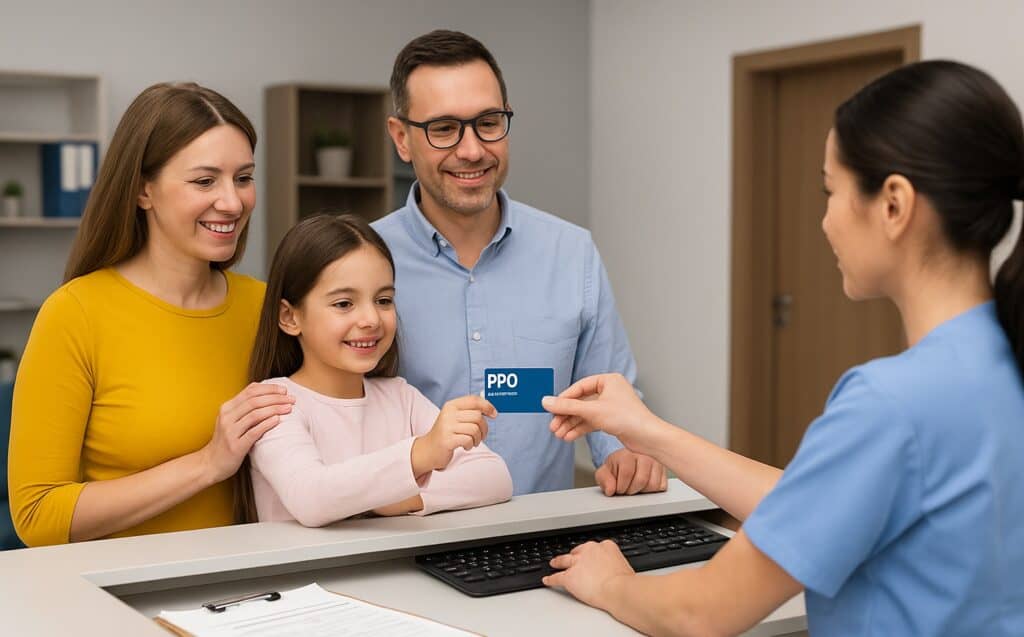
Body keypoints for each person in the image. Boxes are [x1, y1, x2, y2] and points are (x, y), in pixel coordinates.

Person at [541, 60, 1024, 636]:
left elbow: (700, 614)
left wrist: (609, 581)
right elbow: (817, 500)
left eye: (832, 192)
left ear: (894, 205)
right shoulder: (997, 365)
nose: (825, 222)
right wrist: (646, 430)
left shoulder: (890, 405)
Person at [372, 30, 666, 496]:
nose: (472, 150)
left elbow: (609, 397)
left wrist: (625, 452)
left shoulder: (572, 254)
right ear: (401, 139)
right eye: (444, 129)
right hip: (404, 539)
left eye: (488, 122)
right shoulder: (364, 263)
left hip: (538, 542)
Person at [8, 83, 295, 546]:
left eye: (243, 177)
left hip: (254, 587)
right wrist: (207, 463)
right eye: (205, 181)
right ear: (144, 190)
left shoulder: (266, 309)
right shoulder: (76, 313)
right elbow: (38, 515)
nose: (233, 201)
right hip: (124, 595)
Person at [237, 214, 512, 526]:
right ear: (289, 317)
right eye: (343, 304)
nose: (371, 319)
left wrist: (403, 500)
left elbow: (495, 476)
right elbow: (312, 499)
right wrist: (419, 455)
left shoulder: (400, 396)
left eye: (383, 300)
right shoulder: (274, 404)